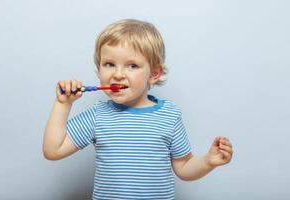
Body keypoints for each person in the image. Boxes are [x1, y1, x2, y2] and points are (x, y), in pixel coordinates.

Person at [43, 19, 233, 200]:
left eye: (132, 66)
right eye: (109, 64)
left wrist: (208, 161)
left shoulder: (170, 115)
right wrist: (63, 104)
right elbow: (53, 151)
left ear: (154, 73)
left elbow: (184, 167)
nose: (117, 74)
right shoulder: (97, 114)